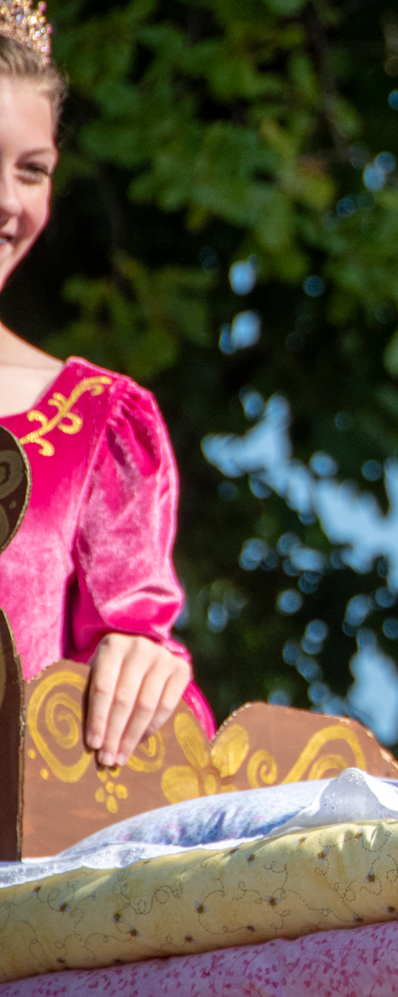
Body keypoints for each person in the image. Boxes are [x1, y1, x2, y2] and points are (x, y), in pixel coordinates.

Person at [0, 1, 214, 768]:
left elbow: (156, 756)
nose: (8, 202)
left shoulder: (96, 420)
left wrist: (150, 674)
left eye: (33, 171)